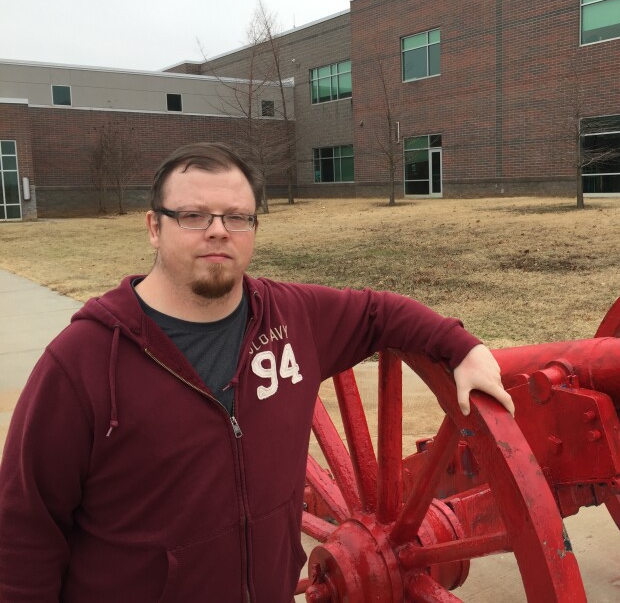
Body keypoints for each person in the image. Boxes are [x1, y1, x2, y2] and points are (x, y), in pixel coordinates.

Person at [0, 142, 514, 602]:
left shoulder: (292, 317)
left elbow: (379, 312)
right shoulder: (82, 361)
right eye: (194, 215)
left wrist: (461, 346)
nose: (218, 230)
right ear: (154, 227)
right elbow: (24, 530)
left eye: (237, 217)